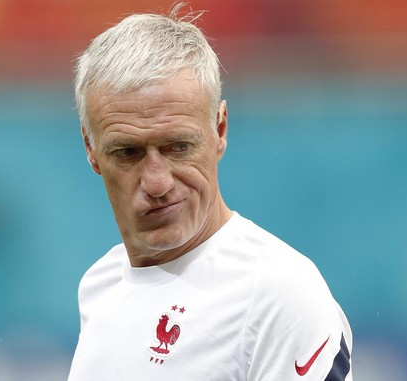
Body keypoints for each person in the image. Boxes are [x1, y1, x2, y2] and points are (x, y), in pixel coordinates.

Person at [67, 4, 352, 380]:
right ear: (91, 149)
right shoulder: (100, 285)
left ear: (220, 129)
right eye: (128, 152)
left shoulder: (277, 293)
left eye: (178, 147)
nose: (157, 182)